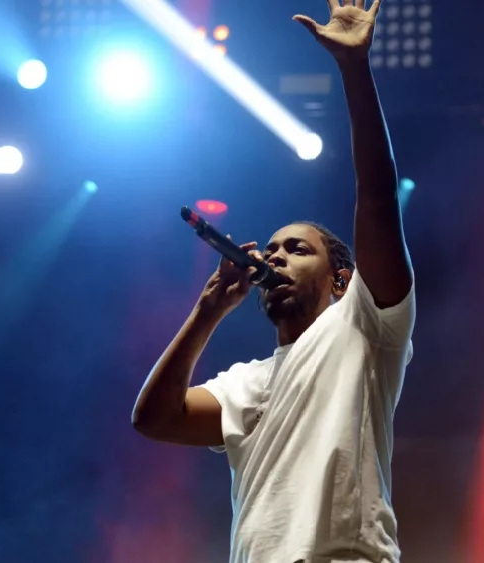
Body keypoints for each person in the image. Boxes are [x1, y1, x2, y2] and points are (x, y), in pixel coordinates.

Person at [131, 1, 414, 561]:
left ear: (341, 279)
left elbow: (378, 201)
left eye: (297, 249)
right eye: (273, 248)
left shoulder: (363, 328)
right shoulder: (247, 381)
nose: (276, 257)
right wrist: (207, 311)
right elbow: (154, 419)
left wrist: (354, 70)